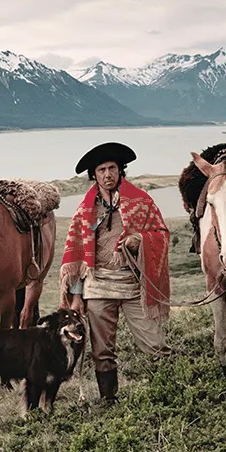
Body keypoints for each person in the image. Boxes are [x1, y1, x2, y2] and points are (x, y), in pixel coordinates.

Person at [59, 142, 172, 404]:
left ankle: (168, 395)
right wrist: (76, 295)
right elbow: (76, 253)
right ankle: (109, 400)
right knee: (102, 351)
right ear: (94, 175)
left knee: (154, 344)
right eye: (101, 170)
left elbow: (161, 234)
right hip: (97, 286)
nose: (107, 174)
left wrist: (139, 240)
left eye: (112, 168)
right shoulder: (85, 209)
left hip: (133, 284)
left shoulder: (142, 202)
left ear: (121, 171)